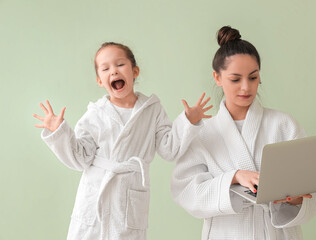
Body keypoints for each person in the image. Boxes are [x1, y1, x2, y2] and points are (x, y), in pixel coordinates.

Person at [33, 42, 212, 240]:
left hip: (130, 195)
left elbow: (169, 149)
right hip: (95, 195)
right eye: (105, 68)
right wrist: (59, 131)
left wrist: (188, 121)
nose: (113, 71)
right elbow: (81, 158)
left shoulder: (152, 109)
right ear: (100, 80)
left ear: (134, 71)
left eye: (120, 65)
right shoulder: (95, 113)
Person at [170, 26, 316, 240]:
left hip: (276, 234)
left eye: (253, 78)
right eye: (235, 79)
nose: (246, 87)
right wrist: (233, 177)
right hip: (225, 233)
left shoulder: (283, 124)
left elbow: (314, 189)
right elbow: (185, 192)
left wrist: (296, 200)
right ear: (217, 77)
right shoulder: (203, 133)